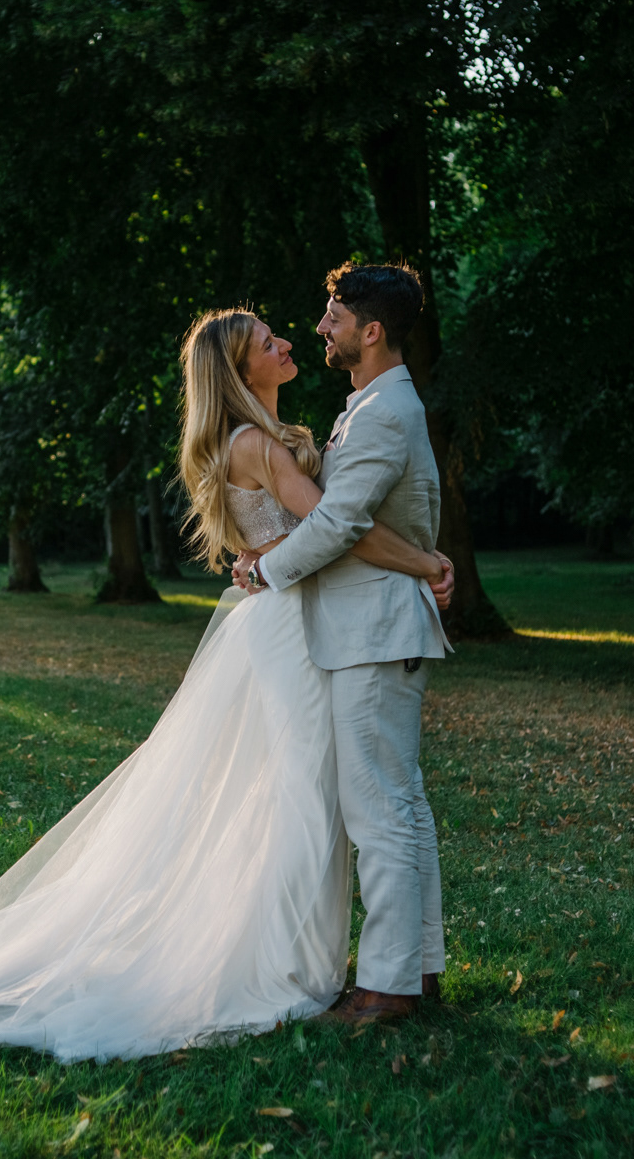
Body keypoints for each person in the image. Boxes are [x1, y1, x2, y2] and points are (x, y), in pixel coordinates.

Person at [0, 296, 452, 1062]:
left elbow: (326, 527)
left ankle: (338, 960)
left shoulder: (259, 440)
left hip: (284, 622)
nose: (290, 341)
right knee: (303, 794)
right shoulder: (258, 447)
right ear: (237, 370)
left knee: (302, 792)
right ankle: (288, 964)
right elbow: (337, 527)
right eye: (268, 341)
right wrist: (425, 562)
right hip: (289, 624)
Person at [233, 261, 451, 1026]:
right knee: (402, 803)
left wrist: (266, 570)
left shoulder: (384, 412)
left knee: (380, 810)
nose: (321, 327)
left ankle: (387, 987)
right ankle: (417, 966)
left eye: (334, 317)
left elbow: (339, 524)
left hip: (372, 630)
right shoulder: (370, 406)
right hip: (374, 625)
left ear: (373, 330)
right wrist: (428, 561)